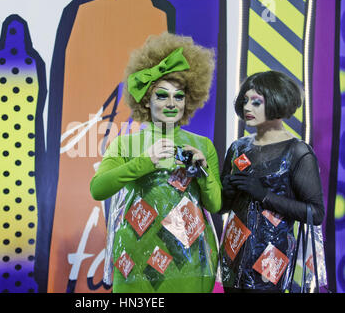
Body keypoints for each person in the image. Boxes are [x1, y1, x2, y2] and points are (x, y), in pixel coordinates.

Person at [90, 32, 222, 293]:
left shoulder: (203, 145)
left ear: (189, 99)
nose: (172, 103)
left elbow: (216, 204)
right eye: (162, 96)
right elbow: (98, 189)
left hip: (190, 262)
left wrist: (203, 172)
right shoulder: (125, 143)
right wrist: (145, 162)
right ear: (146, 101)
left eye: (179, 96)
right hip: (134, 262)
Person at [219, 70, 325, 293]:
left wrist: (265, 196)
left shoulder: (298, 152)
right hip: (232, 253)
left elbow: (315, 213)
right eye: (245, 100)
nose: (247, 107)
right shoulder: (238, 148)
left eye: (256, 102)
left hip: (270, 261)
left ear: (278, 102)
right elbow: (223, 207)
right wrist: (226, 191)